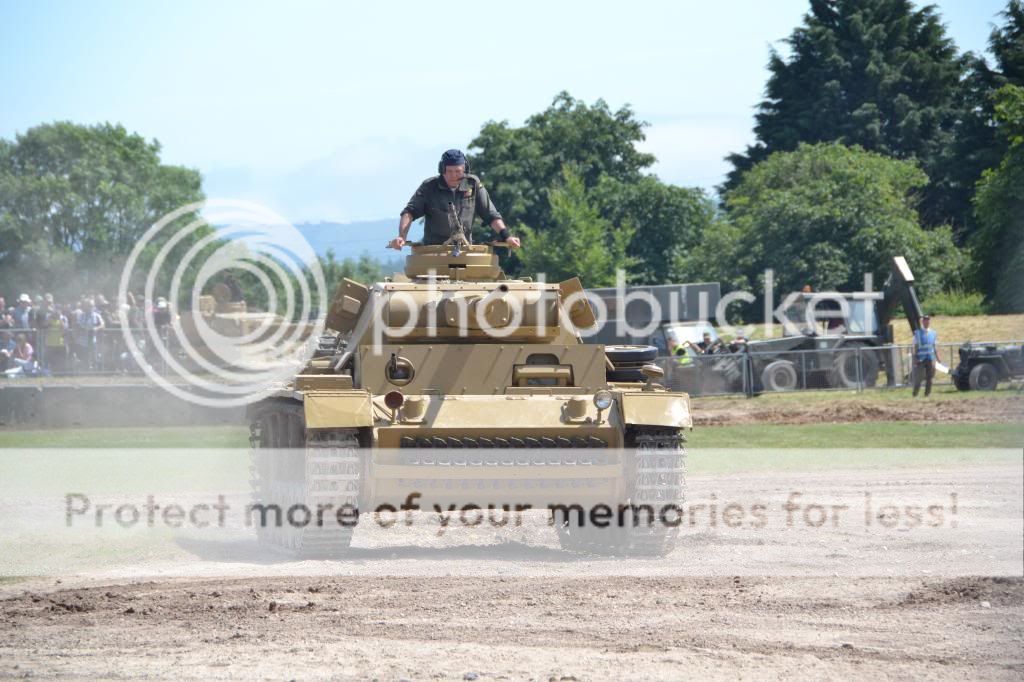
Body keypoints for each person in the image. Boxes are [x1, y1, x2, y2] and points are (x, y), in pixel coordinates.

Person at [388, 149, 521, 250]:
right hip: (434, 252)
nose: (453, 176)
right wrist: (402, 236)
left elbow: (491, 215)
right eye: (449, 171)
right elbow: (409, 212)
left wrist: (507, 236)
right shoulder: (429, 187)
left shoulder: (472, 184)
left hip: (465, 251)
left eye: (458, 171)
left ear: (465, 169)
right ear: (442, 170)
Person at [912, 314, 937, 397]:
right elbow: (915, 347)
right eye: (925, 320)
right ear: (922, 322)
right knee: (919, 378)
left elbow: (934, 346)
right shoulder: (917, 333)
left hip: (930, 358)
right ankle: (915, 394)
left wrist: (936, 359)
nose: (927, 322)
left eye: (928, 320)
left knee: (930, 378)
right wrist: (915, 358)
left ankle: (927, 394)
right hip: (920, 359)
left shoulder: (933, 333)